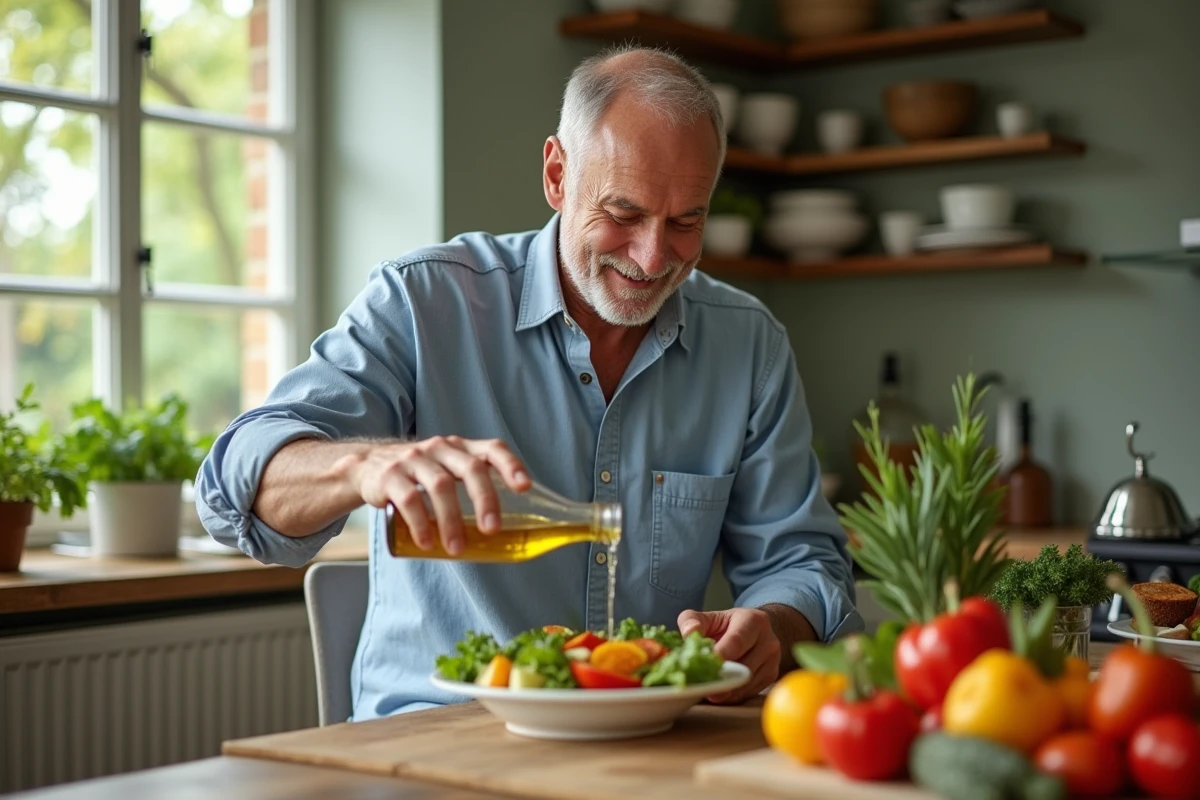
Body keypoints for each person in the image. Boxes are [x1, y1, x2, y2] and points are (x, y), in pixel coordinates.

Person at [195, 45, 862, 721]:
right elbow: (234, 484)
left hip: (647, 747)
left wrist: (773, 629)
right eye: (625, 213)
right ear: (556, 175)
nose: (654, 256)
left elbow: (803, 561)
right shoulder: (425, 303)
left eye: (686, 221)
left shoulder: (747, 344)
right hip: (434, 740)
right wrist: (364, 465)